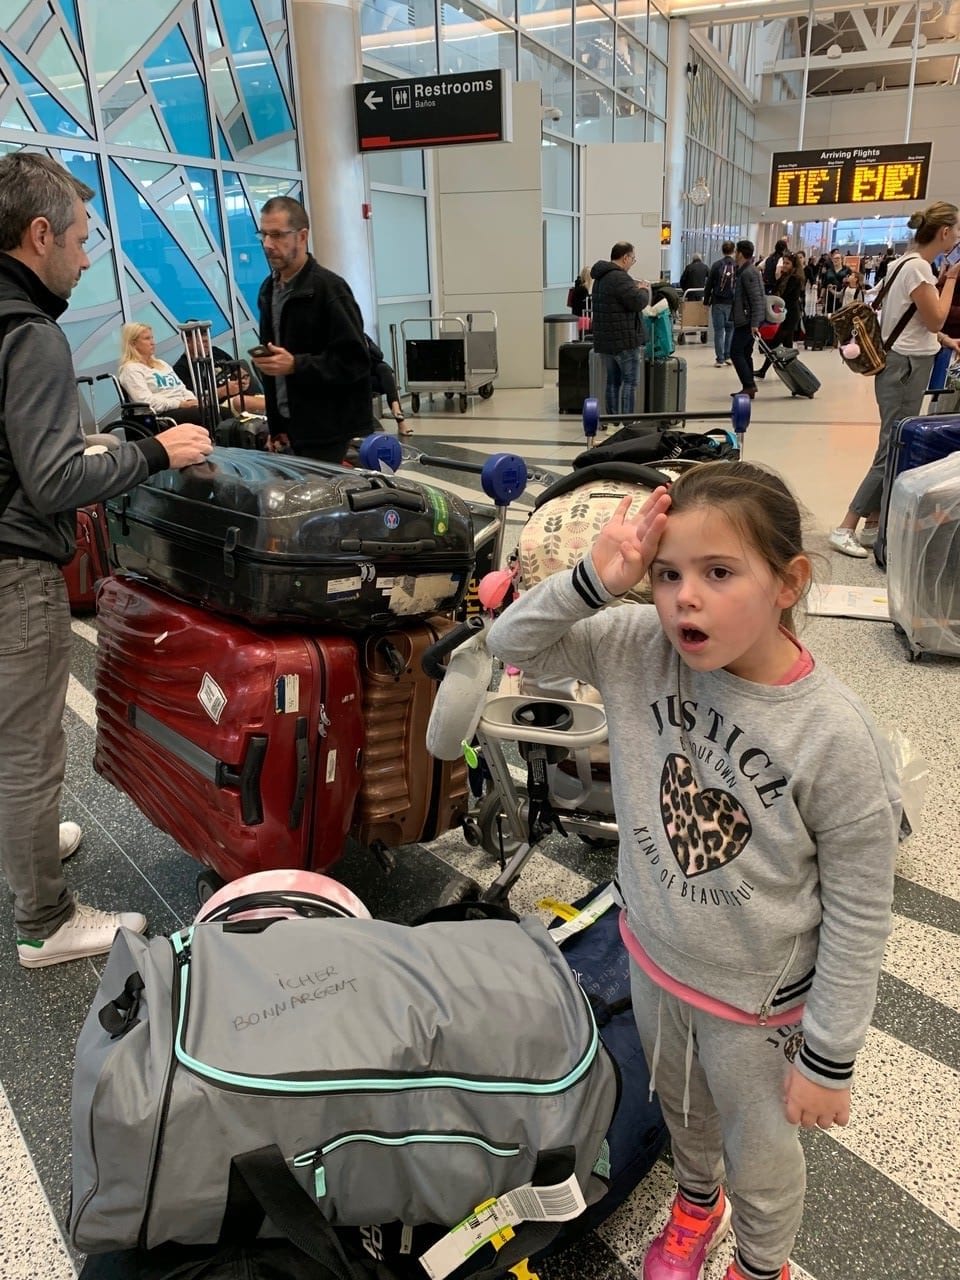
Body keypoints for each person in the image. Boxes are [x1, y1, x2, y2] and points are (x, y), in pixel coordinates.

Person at [487, 462, 899, 1280]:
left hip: (760, 1005)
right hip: (655, 960)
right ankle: (694, 1204)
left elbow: (860, 910)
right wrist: (597, 579)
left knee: (764, 1153)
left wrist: (830, 1055)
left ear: (789, 583)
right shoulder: (638, 645)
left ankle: (760, 1261)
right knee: (683, 1114)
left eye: (719, 573)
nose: (685, 599)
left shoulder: (835, 737)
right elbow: (511, 646)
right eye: (667, 575)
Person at [0, 152, 212, 967]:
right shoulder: (31, 334)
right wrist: (155, 452)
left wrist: (91, 441)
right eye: (81, 240)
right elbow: (50, 482)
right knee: (28, 746)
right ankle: (44, 918)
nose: (87, 259)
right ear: (40, 233)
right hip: (13, 568)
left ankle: (28, 851)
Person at [829, 201, 960, 557]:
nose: (958, 236)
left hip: (900, 364)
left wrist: (946, 341)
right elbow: (934, 319)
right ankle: (846, 526)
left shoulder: (902, 262)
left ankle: (874, 523)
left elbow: (911, 321)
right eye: (957, 229)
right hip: (905, 369)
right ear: (945, 232)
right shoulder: (919, 268)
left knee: (893, 442)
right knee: (893, 446)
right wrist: (948, 281)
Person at [251, 196, 371, 463]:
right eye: (264, 235)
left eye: (277, 235)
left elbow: (355, 361)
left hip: (329, 434)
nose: (268, 244)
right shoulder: (268, 289)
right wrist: (276, 424)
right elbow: (276, 367)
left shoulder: (329, 289)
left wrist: (296, 364)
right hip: (289, 431)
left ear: (302, 236)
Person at [590, 242, 649, 421]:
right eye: (633, 259)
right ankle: (627, 422)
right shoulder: (620, 278)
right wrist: (644, 290)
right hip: (624, 341)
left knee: (612, 382)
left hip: (605, 340)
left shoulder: (599, 278)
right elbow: (637, 302)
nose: (632, 262)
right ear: (625, 258)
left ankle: (613, 420)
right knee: (630, 382)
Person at [117, 323, 202, 422]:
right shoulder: (131, 369)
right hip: (161, 415)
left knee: (216, 411)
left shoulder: (162, 364)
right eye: (147, 338)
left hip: (183, 407)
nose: (152, 342)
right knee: (205, 415)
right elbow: (147, 402)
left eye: (152, 338)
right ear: (133, 344)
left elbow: (182, 389)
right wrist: (180, 404)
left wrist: (192, 401)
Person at [173, 328, 266, 416]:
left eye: (208, 340)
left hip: (246, 397)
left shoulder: (215, 351)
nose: (207, 345)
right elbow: (194, 400)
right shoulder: (181, 368)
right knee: (239, 400)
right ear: (188, 341)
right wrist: (224, 391)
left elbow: (238, 370)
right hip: (222, 406)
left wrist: (244, 378)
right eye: (203, 342)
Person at [755, 253, 804, 379]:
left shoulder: (795, 278)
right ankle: (795, 372)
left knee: (774, 343)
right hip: (784, 312)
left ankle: (763, 371)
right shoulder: (784, 276)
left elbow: (789, 296)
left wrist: (778, 300)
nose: (785, 265)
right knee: (787, 345)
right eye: (784, 263)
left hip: (791, 313)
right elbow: (776, 290)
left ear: (793, 265)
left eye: (788, 263)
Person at [729, 239, 765, 400]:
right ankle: (749, 385)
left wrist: (755, 323)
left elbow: (756, 299)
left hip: (747, 321)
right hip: (747, 319)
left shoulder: (748, 273)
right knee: (745, 352)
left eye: (736, 252)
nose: (735, 255)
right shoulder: (748, 271)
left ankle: (749, 385)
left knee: (736, 352)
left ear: (741, 253)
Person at [366, 333, 412, 437]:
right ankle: (397, 415)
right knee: (385, 381)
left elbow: (379, 355)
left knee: (384, 368)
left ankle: (396, 410)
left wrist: (368, 346)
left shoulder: (363, 336)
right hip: (355, 377)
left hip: (370, 376)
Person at [702, 241, 736, 368]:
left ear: (722, 250)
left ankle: (720, 359)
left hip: (717, 302)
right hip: (732, 303)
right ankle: (728, 356)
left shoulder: (716, 265)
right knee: (730, 330)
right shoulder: (736, 265)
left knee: (718, 331)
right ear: (734, 250)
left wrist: (706, 302)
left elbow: (709, 285)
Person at [818, 250, 850, 315]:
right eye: (834, 258)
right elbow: (824, 285)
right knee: (829, 314)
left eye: (838, 258)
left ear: (841, 260)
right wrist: (821, 297)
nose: (836, 260)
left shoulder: (847, 270)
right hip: (830, 296)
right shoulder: (829, 271)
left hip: (842, 296)